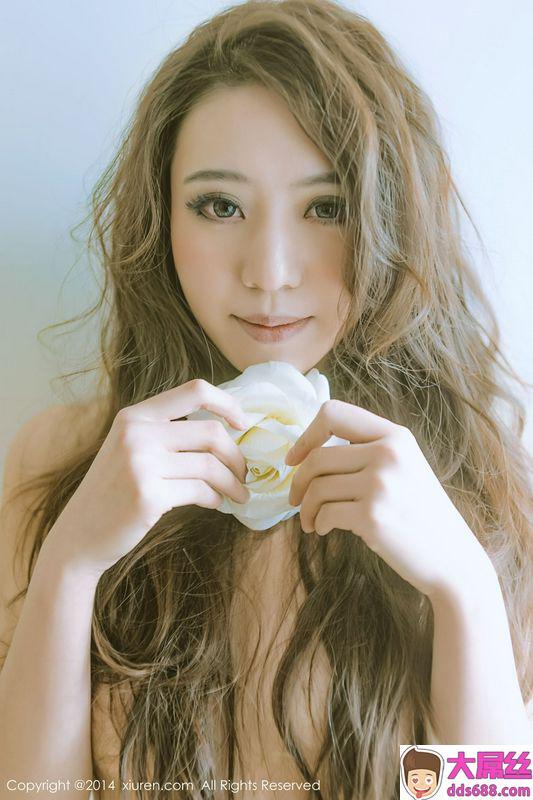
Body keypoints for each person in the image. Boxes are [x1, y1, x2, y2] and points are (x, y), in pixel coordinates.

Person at [0, 0, 531, 798]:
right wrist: (71, 566)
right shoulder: (64, 460)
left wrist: (463, 591)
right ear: (160, 218)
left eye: (326, 207)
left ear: (390, 219)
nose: (270, 271)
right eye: (220, 206)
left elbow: (480, 798)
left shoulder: (481, 483)